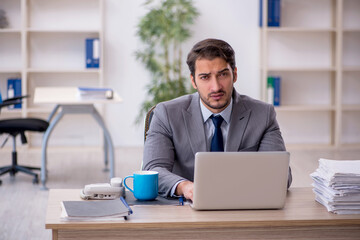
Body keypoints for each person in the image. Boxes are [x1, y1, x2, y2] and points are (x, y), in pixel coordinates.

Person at [142, 38, 292, 201]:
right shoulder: (166, 114)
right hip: (185, 209)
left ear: (234, 75)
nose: (216, 87)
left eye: (222, 75)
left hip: (244, 205)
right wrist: (185, 187)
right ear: (193, 81)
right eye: (205, 77)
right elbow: (152, 170)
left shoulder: (263, 114)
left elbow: (281, 176)